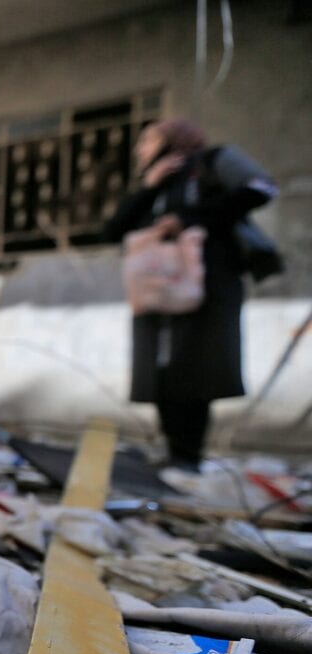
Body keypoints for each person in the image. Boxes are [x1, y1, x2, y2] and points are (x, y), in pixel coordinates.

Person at [104, 119, 278, 471]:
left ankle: (188, 455)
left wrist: (190, 218)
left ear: (172, 141)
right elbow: (112, 230)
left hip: (209, 281)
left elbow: (261, 188)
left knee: (197, 367)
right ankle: (174, 451)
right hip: (156, 288)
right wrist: (149, 188)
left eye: (148, 140)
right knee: (157, 367)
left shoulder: (212, 162)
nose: (140, 149)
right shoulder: (155, 184)